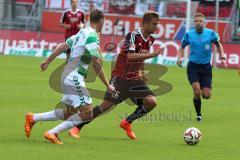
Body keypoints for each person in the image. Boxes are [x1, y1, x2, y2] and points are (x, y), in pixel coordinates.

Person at [69, 11, 164, 140]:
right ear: (146, 23)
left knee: (151, 102)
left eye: (157, 24)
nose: (156, 26)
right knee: (106, 105)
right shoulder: (133, 35)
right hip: (120, 77)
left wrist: (142, 71)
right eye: (154, 24)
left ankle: (127, 122)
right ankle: (77, 127)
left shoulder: (151, 39)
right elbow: (130, 56)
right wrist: (152, 55)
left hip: (135, 78)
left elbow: (141, 56)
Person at [24, 9, 115, 144]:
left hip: (67, 75)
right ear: (102, 21)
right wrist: (107, 85)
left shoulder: (82, 32)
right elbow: (96, 62)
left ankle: (33, 118)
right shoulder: (92, 36)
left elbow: (63, 46)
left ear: (90, 18)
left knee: (67, 113)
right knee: (88, 113)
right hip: (74, 77)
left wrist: (47, 61)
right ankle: (52, 132)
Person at [177, 13, 226, 122]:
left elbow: (218, 44)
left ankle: (207, 87)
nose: (198, 23)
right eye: (196, 21)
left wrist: (222, 55)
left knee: (206, 95)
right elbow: (182, 47)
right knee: (197, 91)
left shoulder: (211, 34)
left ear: (204, 23)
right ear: (194, 22)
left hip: (206, 68)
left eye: (200, 21)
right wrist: (179, 58)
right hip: (193, 67)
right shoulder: (189, 34)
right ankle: (199, 115)